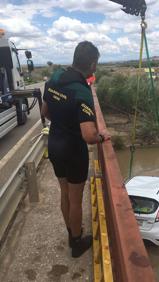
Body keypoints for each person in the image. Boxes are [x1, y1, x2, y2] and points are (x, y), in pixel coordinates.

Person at [41, 41, 109, 258]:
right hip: (73, 151)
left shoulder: (55, 77)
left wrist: (63, 122)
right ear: (91, 63)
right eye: (96, 63)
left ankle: (71, 232)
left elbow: (46, 112)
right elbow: (89, 136)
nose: (96, 68)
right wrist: (102, 137)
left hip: (55, 144)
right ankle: (77, 243)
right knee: (76, 198)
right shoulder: (82, 91)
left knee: (64, 193)